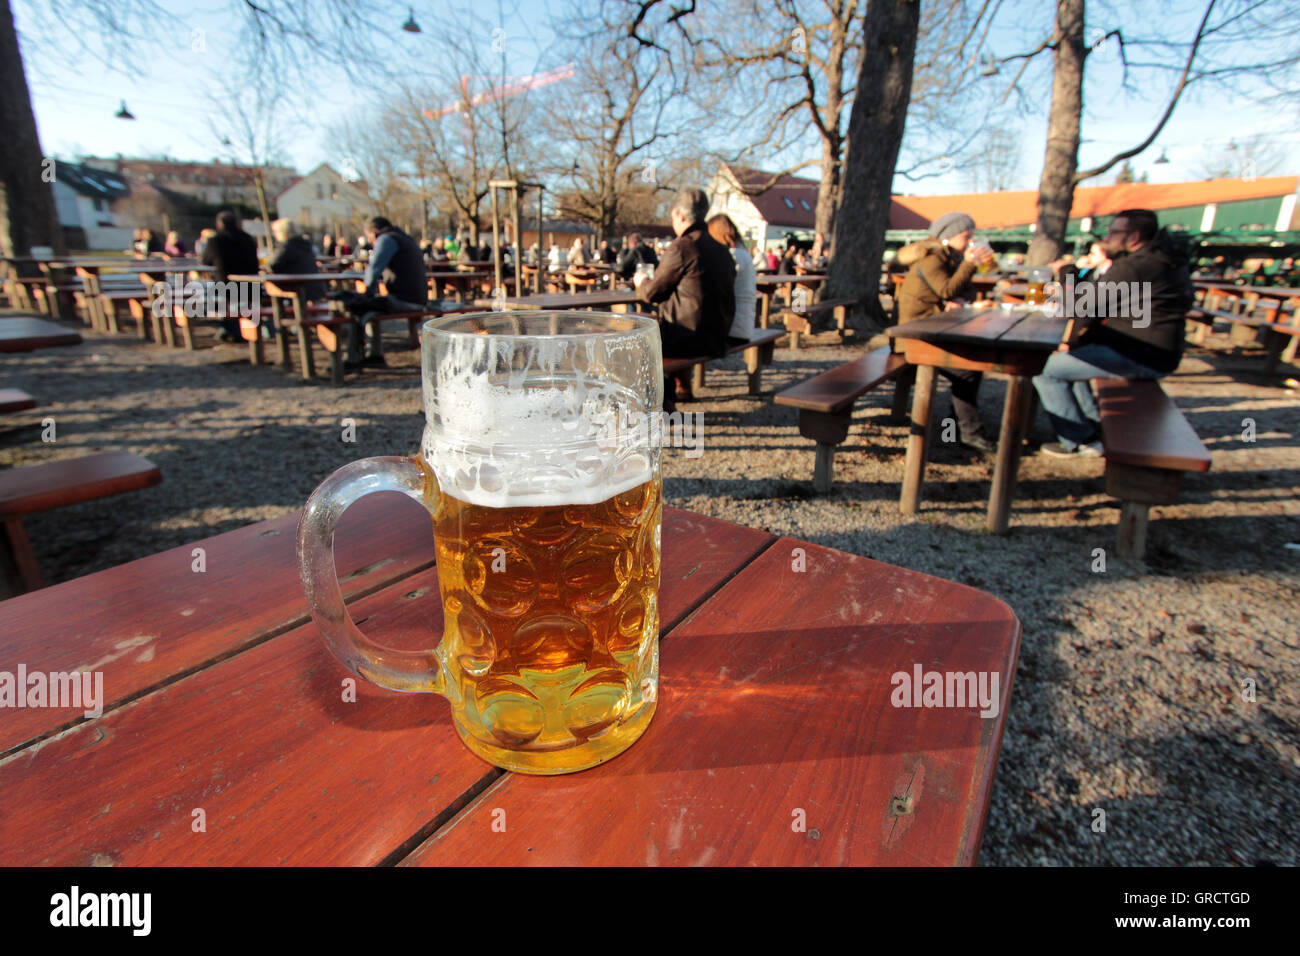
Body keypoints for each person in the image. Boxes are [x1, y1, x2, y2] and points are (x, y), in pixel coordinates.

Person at [1033, 208, 1194, 458]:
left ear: (1134, 236)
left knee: (1044, 370)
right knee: (1075, 356)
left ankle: (1080, 439)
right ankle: (1091, 425)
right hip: (1156, 350)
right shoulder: (1165, 262)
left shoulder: (1136, 266)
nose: (1108, 236)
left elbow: (1078, 306)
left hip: (1141, 354)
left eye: (1114, 231)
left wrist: (1067, 271)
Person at [895, 210, 998, 453]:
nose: (971, 241)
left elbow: (964, 292)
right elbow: (946, 289)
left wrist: (967, 277)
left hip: (932, 328)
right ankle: (965, 432)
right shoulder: (933, 258)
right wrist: (970, 266)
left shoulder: (950, 258)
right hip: (913, 335)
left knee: (969, 369)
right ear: (948, 236)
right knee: (965, 371)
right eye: (966, 236)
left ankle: (957, 428)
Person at [634, 187, 735, 409]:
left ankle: (659, 401)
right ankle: (680, 388)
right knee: (664, 323)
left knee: (635, 334)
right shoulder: (722, 249)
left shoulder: (683, 246)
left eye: (672, 218)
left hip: (690, 338)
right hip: (718, 336)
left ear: (680, 216)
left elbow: (653, 293)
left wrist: (641, 281)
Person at [340, 216, 428, 370]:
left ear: (375, 231)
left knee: (356, 308)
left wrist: (366, 294)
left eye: (370, 238)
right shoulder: (404, 237)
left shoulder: (386, 239)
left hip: (405, 299)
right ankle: (374, 355)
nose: (372, 243)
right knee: (370, 308)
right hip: (418, 298)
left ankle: (353, 359)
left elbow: (373, 269)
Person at [201, 210, 260, 343]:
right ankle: (234, 328)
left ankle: (229, 328)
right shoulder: (248, 238)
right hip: (250, 285)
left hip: (225, 286)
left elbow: (205, 261)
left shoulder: (215, 240)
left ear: (220, 224)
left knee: (211, 293)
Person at [708, 213, 756, 345]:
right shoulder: (743, 253)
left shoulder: (733, 256)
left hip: (733, 330)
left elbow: (717, 289)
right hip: (744, 326)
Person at [269, 218, 325, 308]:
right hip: (315, 289)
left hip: (299, 292)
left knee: (273, 290)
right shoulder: (305, 245)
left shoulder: (287, 246)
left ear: (282, 232)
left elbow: (273, 265)